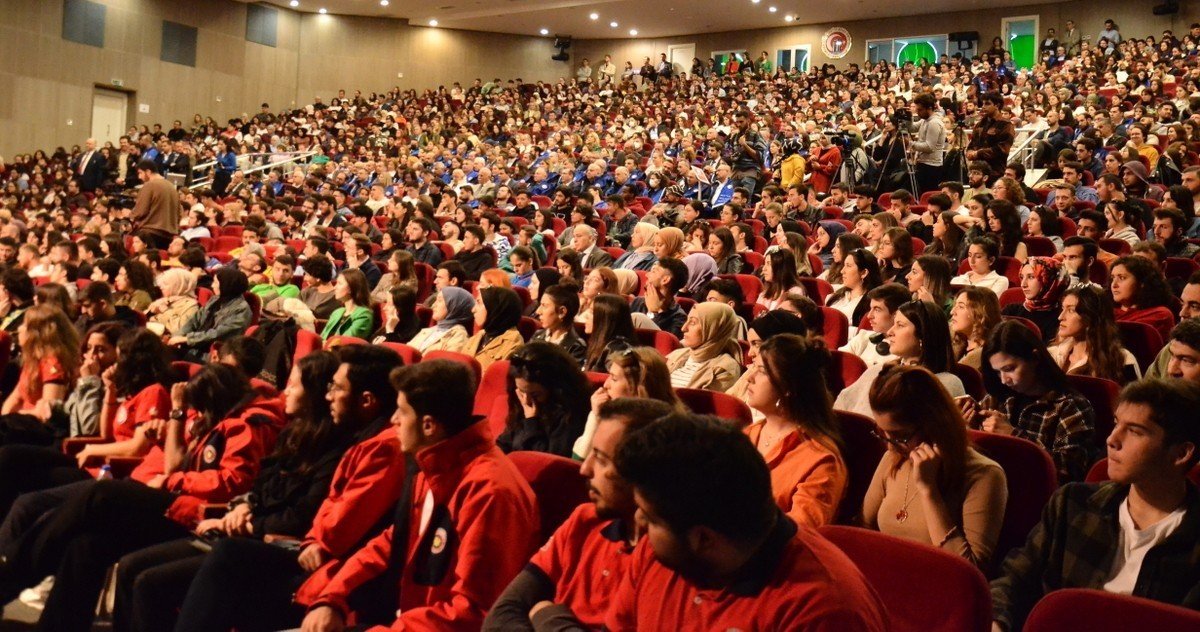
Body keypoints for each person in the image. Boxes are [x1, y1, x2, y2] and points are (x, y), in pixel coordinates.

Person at [0, 363, 284, 632]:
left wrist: (174, 479)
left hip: (198, 513)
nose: (196, 416)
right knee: (85, 545)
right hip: (177, 501)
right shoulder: (221, 420)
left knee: (99, 494)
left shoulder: (248, 425)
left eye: (199, 410)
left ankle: (10, 571)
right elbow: (177, 462)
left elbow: (231, 483)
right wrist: (176, 420)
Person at [172, 345, 407, 632]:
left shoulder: (381, 447)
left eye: (337, 388)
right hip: (303, 548)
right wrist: (250, 509)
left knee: (227, 559)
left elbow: (335, 526)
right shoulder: (339, 437)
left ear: (367, 400)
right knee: (156, 578)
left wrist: (266, 528)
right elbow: (321, 503)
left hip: (336, 569)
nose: (329, 395)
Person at [294, 360, 539, 631]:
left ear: (429, 425)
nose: (393, 420)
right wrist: (332, 597)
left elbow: (474, 611)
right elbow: (393, 541)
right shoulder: (433, 463)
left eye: (401, 412)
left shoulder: (491, 492)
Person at [110, 351, 347, 631]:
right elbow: (261, 486)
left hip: (252, 535)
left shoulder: (326, 445)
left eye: (293, 385)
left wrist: (244, 520)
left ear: (314, 392)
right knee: (124, 562)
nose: (285, 391)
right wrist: (245, 506)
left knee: (115, 513)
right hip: (227, 522)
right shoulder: (293, 433)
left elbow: (297, 512)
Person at [605, 413, 888, 631]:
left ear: (704, 538)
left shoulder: (826, 612)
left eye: (649, 517)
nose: (639, 522)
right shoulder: (666, 550)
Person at [990, 379, 1200, 632]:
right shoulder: (1073, 503)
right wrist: (998, 622)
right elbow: (1015, 578)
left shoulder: (1192, 536)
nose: (1112, 439)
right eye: (1115, 424)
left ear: (1181, 454)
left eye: (1135, 431)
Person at [486, 397, 676, 630]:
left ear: (644, 471)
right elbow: (502, 615)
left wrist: (545, 615)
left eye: (602, 459)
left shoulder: (669, 558)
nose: (585, 469)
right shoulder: (584, 519)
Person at [865, 364, 1008, 568]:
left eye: (900, 436)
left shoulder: (984, 475)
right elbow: (863, 527)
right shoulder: (894, 457)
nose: (889, 445)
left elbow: (969, 571)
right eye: (883, 432)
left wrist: (929, 491)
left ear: (934, 425)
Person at [966, 320, 1097, 482]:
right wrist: (968, 428)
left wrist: (1014, 437)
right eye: (997, 372)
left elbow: (1068, 472)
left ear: (1035, 358)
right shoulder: (999, 397)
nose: (1004, 380)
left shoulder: (1069, 405)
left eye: (1009, 369)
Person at [744, 333, 846, 528]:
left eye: (762, 371)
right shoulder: (751, 433)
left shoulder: (820, 460)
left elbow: (801, 533)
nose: (750, 378)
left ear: (788, 387)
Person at [836, 300, 967, 416]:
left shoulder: (946, 383)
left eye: (900, 325)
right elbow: (841, 410)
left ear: (923, 335)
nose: (890, 332)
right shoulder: (877, 371)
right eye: (893, 324)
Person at [572, 347, 683, 460]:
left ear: (639, 388)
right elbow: (577, 464)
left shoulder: (662, 434)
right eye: (609, 376)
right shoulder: (615, 419)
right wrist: (595, 417)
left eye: (614, 379)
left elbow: (579, 465)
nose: (606, 385)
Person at [0, 305, 79, 446]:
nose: (19, 329)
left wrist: (13, 418)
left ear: (38, 332)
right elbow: (14, 399)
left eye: (24, 324)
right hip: (18, 426)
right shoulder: (33, 361)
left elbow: (48, 413)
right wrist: (6, 420)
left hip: (36, 435)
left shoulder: (53, 364)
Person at [500, 341, 591, 457]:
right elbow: (504, 442)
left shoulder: (570, 415)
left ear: (554, 389)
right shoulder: (521, 402)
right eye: (522, 392)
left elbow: (547, 463)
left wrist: (531, 422)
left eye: (535, 395)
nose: (527, 401)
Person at [169, 267, 252, 363]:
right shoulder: (215, 299)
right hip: (196, 344)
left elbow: (218, 334)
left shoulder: (242, 309)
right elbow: (194, 320)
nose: (212, 285)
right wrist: (178, 336)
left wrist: (187, 339)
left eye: (216, 283)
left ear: (227, 285)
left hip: (215, 353)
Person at [666, 302, 743, 392]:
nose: (684, 328)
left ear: (714, 329)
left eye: (693, 323)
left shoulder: (724, 369)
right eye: (687, 320)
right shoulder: (676, 355)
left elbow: (699, 404)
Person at [1110, 255, 1178, 343]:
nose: (1114, 284)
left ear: (1142, 282)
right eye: (1112, 278)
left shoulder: (1160, 315)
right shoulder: (1105, 310)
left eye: (1122, 278)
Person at [1002, 257, 1070, 344]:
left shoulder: (1061, 317)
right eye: (1022, 277)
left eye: (1031, 277)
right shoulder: (1011, 310)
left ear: (1048, 279)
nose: (1023, 284)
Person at [840, 283, 908, 366]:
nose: (869, 316)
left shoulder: (906, 352)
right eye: (870, 309)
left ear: (896, 314)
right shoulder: (863, 338)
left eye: (877, 310)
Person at [463, 286, 524, 371]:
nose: (473, 309)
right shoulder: (480, 335)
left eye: (479, 303)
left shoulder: (513, 343)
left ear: (495, 307)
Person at [531, 283, 587, 366]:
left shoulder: (576, 347)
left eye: (544, 306)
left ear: (562, 312)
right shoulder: (537, 335)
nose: (538, 311)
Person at [129, 159, 181, 249]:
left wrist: (130, 215)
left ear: (148, 172)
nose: (139, 177)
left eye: (140, 173)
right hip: (169, 235)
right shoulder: (172, 187)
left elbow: (141, 211)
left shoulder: (149, 185)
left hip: (150, 232)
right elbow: (179, 212)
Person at [630, 258, 688, 338]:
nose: (647, 275)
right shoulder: (638, 302)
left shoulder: (679, 318)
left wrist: (653, 313)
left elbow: (660, 344)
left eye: (653, 271)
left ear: (665, 280)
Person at [408, 286, 474, 353]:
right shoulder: (428, 330)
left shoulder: (459, 337)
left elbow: (444, 363)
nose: (433, 305)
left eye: (439, 300)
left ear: (453, 306)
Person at [825, 248, 882, 326]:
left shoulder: (870, 305)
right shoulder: (836, 296)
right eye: (844, 265)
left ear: (864, 273)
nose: (842, 271)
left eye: (848, 266)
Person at [951, 286, 1002, 370]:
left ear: (980, 313)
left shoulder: (990, 356)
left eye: (961, 307)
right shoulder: (951, 342)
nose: (952, 312)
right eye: (955, 305)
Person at [583, 293, 636, 372]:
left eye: (591, 312)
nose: (585, 316)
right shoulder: (599, 344)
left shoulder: (617, 350)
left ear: (604, 319)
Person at [967, 92, 1016, 178]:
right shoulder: (980, 124)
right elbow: (972, 144)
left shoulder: (1006, 124)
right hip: (976, 173)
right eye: (983, 103)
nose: (983, 106)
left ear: (997, 105)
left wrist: (978, 153)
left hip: (995, 172)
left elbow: (1002, 149)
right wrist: (969, 152)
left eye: (987, 104)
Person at [320, 269, 374, 342]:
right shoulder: (337, 312)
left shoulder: (363, 315)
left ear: (351, 288)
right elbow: (322, 337)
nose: (335, 287)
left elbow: (344, 342)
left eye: (339, 283)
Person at [145, 267, 199, 336]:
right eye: (162, 284)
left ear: (179, 286)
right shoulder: (163, 300)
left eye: (166, 284)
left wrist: (165, 311)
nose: (161, 287)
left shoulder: (191, 305)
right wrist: (151, 313)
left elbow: (180, 330)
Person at [298, 256, 341, 320]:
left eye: (307, 275)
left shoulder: (335, 297)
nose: (304, 278)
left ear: (318, 278)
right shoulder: (306, 291)